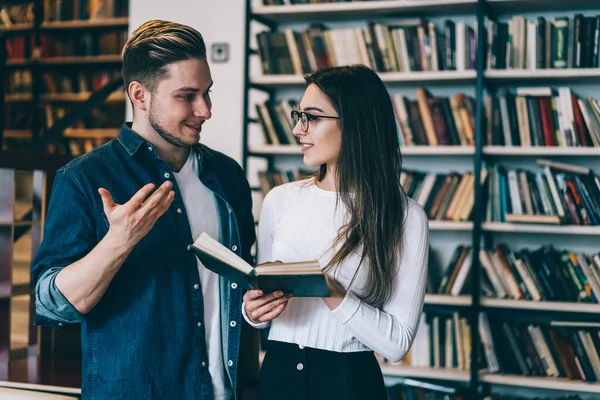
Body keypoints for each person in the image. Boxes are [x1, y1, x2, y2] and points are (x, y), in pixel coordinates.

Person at [31, 20, 258, 400]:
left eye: (207, 93)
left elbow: (241, 289)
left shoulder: (228, 176)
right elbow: (52, 306)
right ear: (140, 94)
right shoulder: (83, 178)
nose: (205, 110)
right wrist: (118, 242)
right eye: (187, 95)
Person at [242, 65, 429, 400]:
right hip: (278, 376)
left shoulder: (405, 216)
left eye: (312, 117)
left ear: (355, 123)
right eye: (298, 115)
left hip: (349, 384)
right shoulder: (279, 200)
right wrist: (253, 313)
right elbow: (264, 311)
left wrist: (331, 291)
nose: (299, 129)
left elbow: (397, 343)